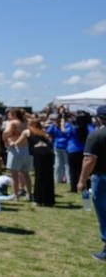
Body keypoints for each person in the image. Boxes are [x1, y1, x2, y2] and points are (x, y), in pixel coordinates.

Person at [78, 105, 106, 261]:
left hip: (102, 178)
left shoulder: (96, 135)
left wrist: (82, 180)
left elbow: (89, 160)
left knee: (104, 214)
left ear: (98, 118)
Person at [24, 118, 54, 207]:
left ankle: (38, 200)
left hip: (39, 153)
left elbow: (20, 141)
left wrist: (12, 143)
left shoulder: (27, 131)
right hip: (48, 152)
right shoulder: (42, 132)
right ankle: (49, 200)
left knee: (39, 176)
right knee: (48, 176)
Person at [3, 108, 32, 200]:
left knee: (14, 174)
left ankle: (15, 195)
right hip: (27, 149)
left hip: (16, 149)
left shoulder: (12, 123)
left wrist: (5, 140)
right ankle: (29, 194)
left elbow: (6, 132)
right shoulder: (26, 123)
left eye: (9, 114)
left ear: (14, 115)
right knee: (26, 174)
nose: (8, 116)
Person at [67, 111, 93, 194]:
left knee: (73, 170)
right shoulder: (89, 128)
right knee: (85, 170)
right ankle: (88, 186)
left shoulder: (72, 127)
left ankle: (73, 187)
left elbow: (65, 131)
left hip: (72, 150)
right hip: (85, 150)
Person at [45, 112, 69, 184]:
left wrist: (51, 140)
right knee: (66, 164)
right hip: (65, 145)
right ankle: (68, 179)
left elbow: (48, 133)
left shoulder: (53, 125)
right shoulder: (67, 125)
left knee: (58, 163)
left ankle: (58, 179)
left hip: (57, 145)